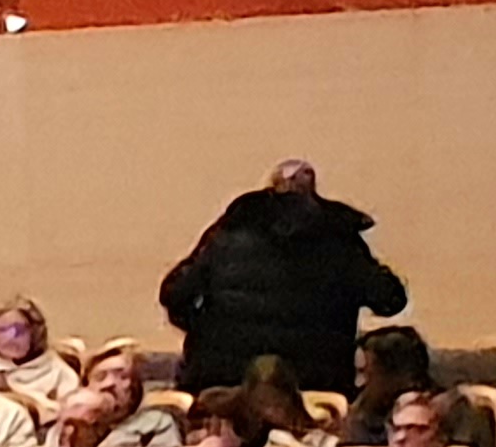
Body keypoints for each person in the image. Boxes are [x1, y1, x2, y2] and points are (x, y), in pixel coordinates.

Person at [161, 164, 405, 395]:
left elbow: (173, 293)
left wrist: (206, 330)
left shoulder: (228, 235)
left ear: (271, 186)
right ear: (313, 190)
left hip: (222, 380)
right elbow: (391, 300)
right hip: (317, 382)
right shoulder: (340, 239)